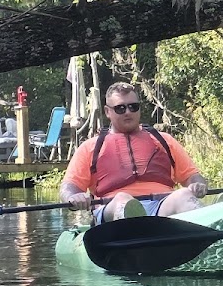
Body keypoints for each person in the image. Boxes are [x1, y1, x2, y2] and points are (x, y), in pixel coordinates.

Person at [59, 81, 208, 221]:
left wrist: (197, 185)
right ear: (107, 111)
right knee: (123, 199)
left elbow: (192, 177)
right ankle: (136, 233)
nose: (128, 112)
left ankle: (213, 230)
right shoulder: (90, 147)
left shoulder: (165, 140)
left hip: (161, 208)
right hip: (112, 208)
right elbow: (69, 187)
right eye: (120, 108)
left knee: (183, 195)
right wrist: (74, 197)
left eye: (133, 107)